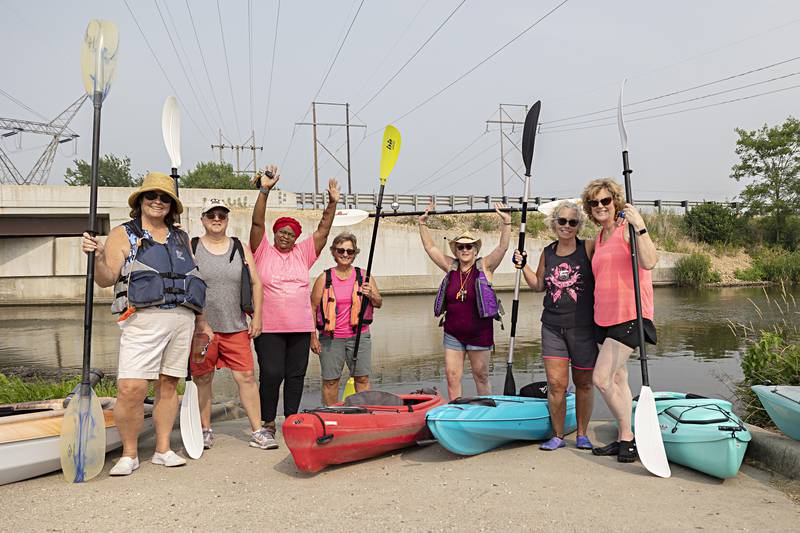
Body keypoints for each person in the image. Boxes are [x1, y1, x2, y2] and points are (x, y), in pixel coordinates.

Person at [81, 172, 212, 476]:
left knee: (169, 384)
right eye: (151, 196)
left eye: (164, 198)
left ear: (172, 205)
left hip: (182, 319)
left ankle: (163, 449)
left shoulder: (180, 236)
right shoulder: (123, 234)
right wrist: (99, 256)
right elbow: (106, 279)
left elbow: (192, 278)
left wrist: (202, 324)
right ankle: (129, 453)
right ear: (140, 200)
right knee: (131, 387)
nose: (158, 201)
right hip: (142, 320)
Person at [249, 165, 340, 448]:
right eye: (282, 232)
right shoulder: (262, 250)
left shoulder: (303, 254)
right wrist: (265, 190)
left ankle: (290, 418)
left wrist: (332, 203)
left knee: (295, 375)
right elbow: (256, 224)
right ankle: (267, 422)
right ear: (275, 234)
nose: (286, 236)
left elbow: (323, 232)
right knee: (272, 373)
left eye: (291, 233)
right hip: (269, 326)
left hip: (300, 326)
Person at [582, 177, 658, 463]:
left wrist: (640, 225)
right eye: (594, 203)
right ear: (590, 209)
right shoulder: (598, 239)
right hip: (603, 318)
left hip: (630, 315)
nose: (600, 206)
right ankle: (625, 434)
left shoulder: (628, 230)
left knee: (601, 379)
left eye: (605, 201)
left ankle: (628, 436)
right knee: (618, 378)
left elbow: (649, 262)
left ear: (615, 202)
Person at [512, 200, 597, 451]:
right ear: (554, 223)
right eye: (562, 221)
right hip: (552, 327)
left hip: (583, 328)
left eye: (573, 222)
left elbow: (612, 244)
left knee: (583, 382)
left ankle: (582, 435)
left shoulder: (589, 248)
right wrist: (522, 265)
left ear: (579, 225)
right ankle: (558, 435)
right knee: (556, 384)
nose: (567, 226)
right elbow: (539, 285)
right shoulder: (548, 252)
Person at [189, 198, 273, 449]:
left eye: (221, 215)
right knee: (202, 379)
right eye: (211, 214)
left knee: (247, 377)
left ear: (227, 219)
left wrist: (257, 316)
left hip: (235, 325)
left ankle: (258, 431)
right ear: (202, 219)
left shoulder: (239, 247)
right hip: (202, 330)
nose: (217, 219)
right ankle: (205, 429)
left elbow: (257, 283)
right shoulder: (192, 246)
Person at [418, 203, 511, 400]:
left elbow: (503, 247)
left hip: (479, 335)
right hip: (453, 334)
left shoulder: (485, 266)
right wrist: (422, 225)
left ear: (475, 250)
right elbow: (430, 248)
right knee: (452, 377)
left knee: (481, 376)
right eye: (460, 247)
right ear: (456, 250)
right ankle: (456, 414)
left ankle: (485, 416)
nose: (465, 250)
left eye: (469, 246)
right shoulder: (450, 266)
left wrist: (507, 222)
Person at [310, 232, 382, 405]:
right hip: (331, 339)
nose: (345, 254)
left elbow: (379, 302)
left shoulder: (364, 276)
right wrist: (312, 337)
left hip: (359, 337)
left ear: (355, 253)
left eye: (350, 251)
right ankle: (331, 415)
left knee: (362, 378)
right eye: (341, 250)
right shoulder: (324, 278)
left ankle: (363, 414)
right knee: (330, 381)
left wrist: (371, 294)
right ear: (334, 252)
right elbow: (312, 308)